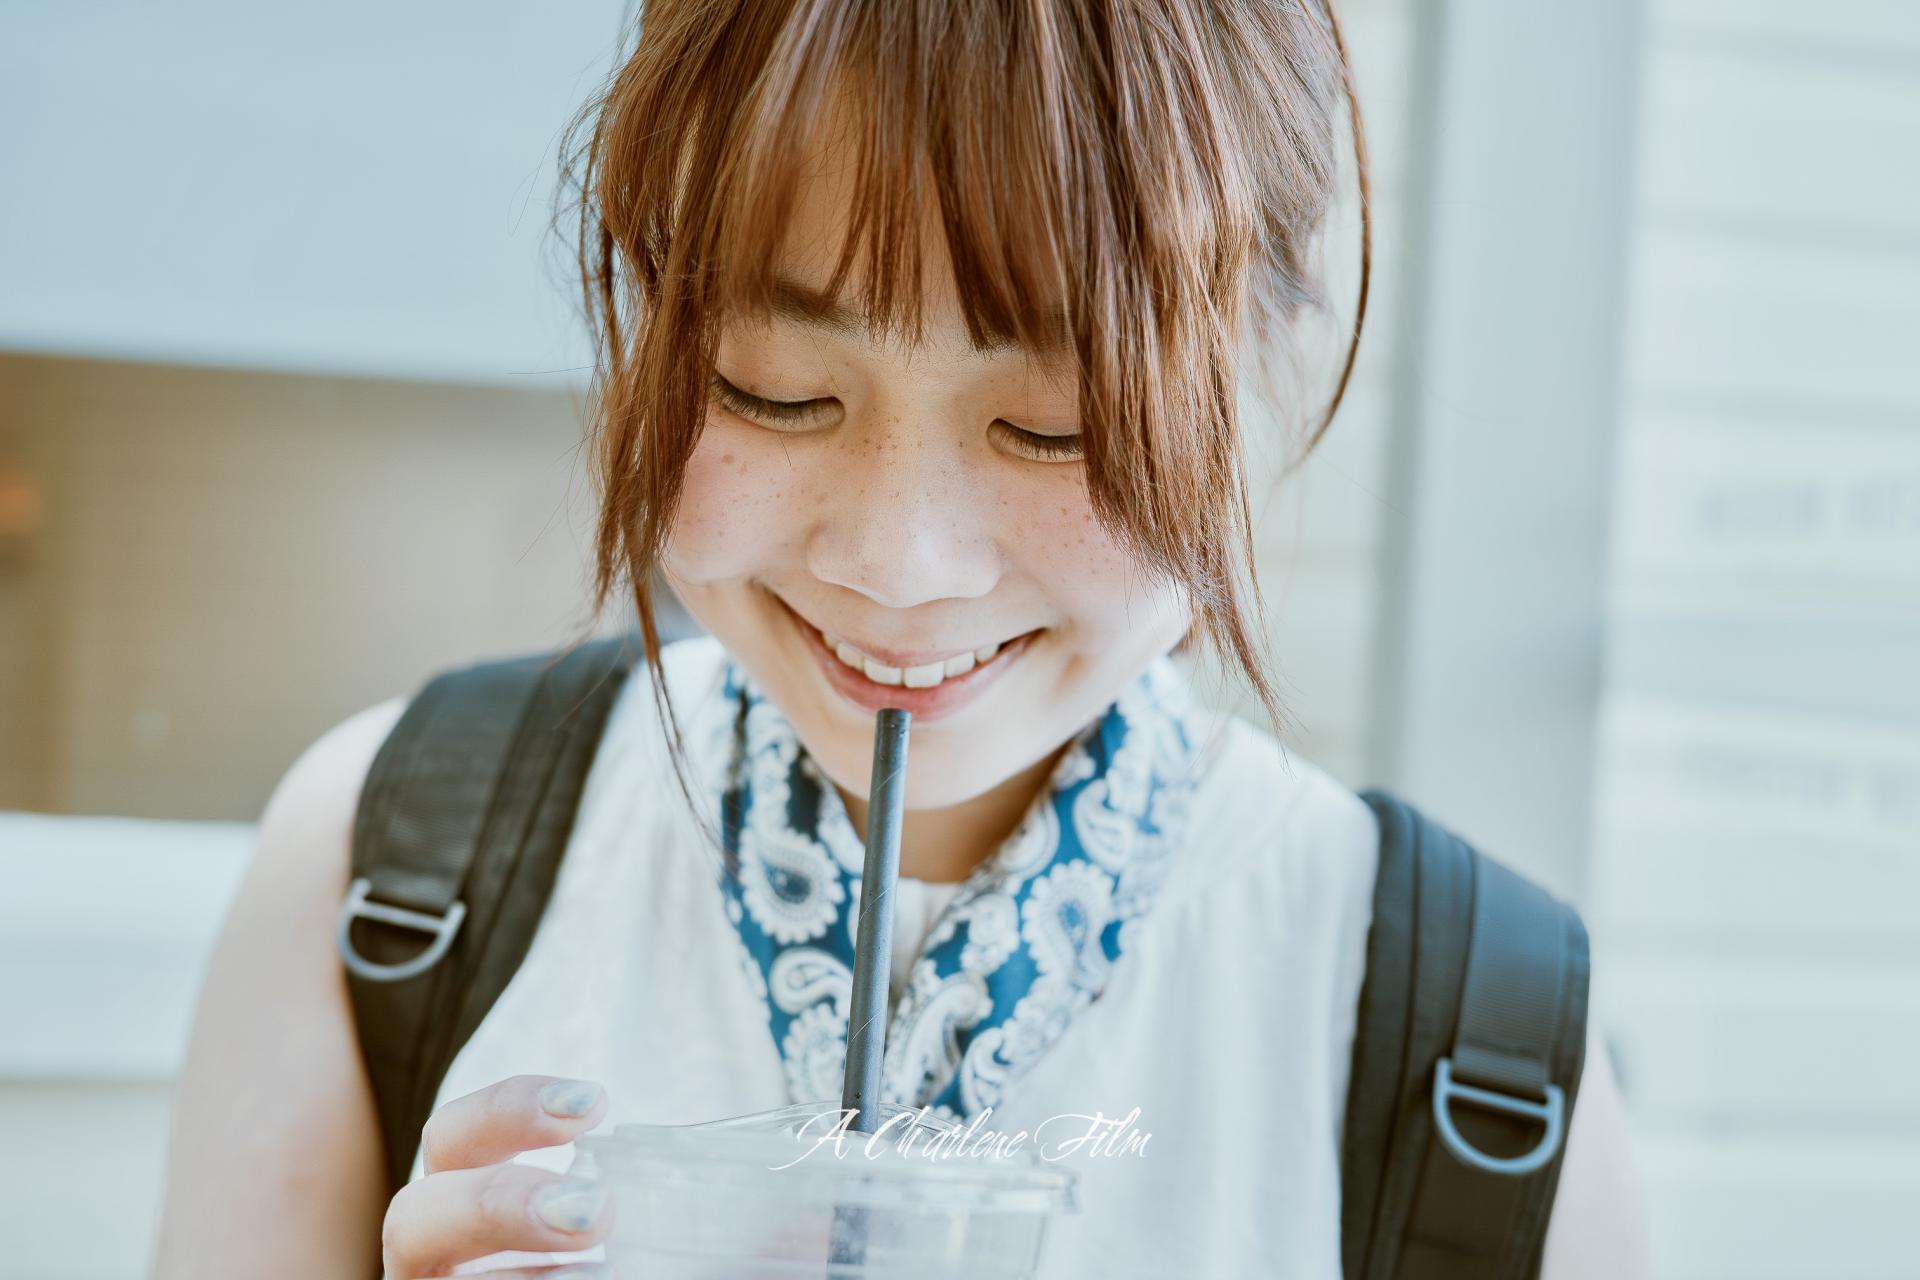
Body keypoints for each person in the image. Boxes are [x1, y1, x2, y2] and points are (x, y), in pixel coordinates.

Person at [154, 1, 1652, 1276]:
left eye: (1053, 424)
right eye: (772, 388)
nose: (898, 564)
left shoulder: (1481, 1066)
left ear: (1270, 355)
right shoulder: (388, 873)